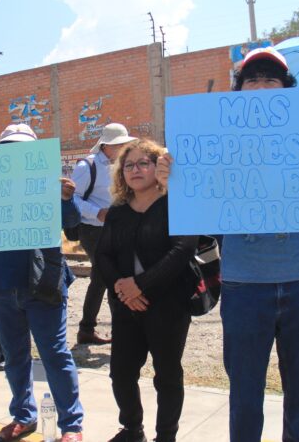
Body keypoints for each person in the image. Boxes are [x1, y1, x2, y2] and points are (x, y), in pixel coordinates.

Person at [156, 46, 299, 442]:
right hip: (243, 286)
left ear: (287, 89)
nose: (262, 86)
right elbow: (196, 210)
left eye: (272, 78)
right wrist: (173, 179)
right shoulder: (215, 140)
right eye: (253, 79)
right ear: (240, 91)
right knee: (245, 392)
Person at [0, 124, 84, 442]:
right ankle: (23, 415)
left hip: (43, 283)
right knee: (14, 355)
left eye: (22, 149)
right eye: (8, 149)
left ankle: (71, 425)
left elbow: (74, 227)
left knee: (54, 354)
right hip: (0, 283)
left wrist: (66, 199)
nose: (15, 155)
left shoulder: (48, 185)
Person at [96, 139, 197, 442]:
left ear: (158, 167)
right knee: (121, 373)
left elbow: (182, 251)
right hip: (127, 307)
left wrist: (140, 286)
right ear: (121, 173)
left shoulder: (177, 203)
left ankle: (166, 435)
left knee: (166, 375)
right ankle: (132, 428)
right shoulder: (117, 212)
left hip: (168, 306)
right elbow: (103, 255)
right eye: (129, 165)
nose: (136, 169)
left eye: (144, 163)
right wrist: (124, 290)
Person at [71, 123, 137, 345]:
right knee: (107, 276)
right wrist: (97, 213)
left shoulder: (122, 165)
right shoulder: (86, 166)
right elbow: (72, 199)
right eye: (120, 144)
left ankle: (88, 330)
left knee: (103, 278)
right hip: (91, 229)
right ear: (106, 145)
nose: (124, 147)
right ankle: (106, 330)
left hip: (115, 228)